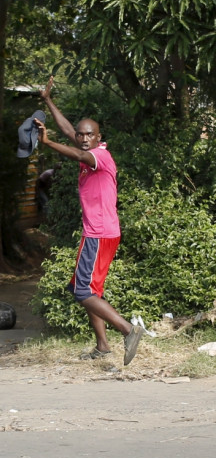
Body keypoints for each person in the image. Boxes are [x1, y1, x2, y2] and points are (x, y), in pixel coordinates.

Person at [35, 76, 144, 365]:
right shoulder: (87, 147)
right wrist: (48, 101)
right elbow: (69, 130)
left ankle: (128, 330)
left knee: (82, 291)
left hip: (99, 234)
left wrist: (46, 142)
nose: (82, 137)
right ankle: (103, 347)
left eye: (88, 134)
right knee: (89, 291)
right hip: (100, 233)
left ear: (98, 137)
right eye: (81, 134)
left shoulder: (99, 156)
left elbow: (76, 152)